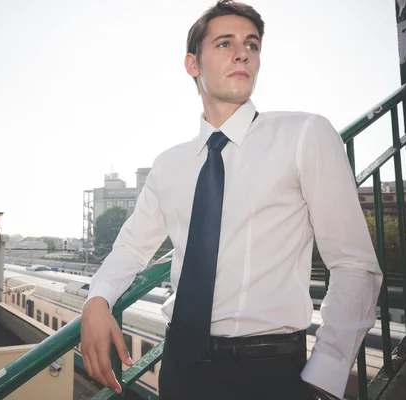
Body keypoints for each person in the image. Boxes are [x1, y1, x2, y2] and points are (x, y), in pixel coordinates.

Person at [80, 1, 383, 399]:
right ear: (193, 65)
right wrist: (98, 299)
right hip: (180, 371)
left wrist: (325, 372)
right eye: (225, 43)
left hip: (271, 374)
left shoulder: (305, 135)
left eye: (252, 45)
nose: (243, 52)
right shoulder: (169, 165)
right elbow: (131, 249)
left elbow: (354, 264)